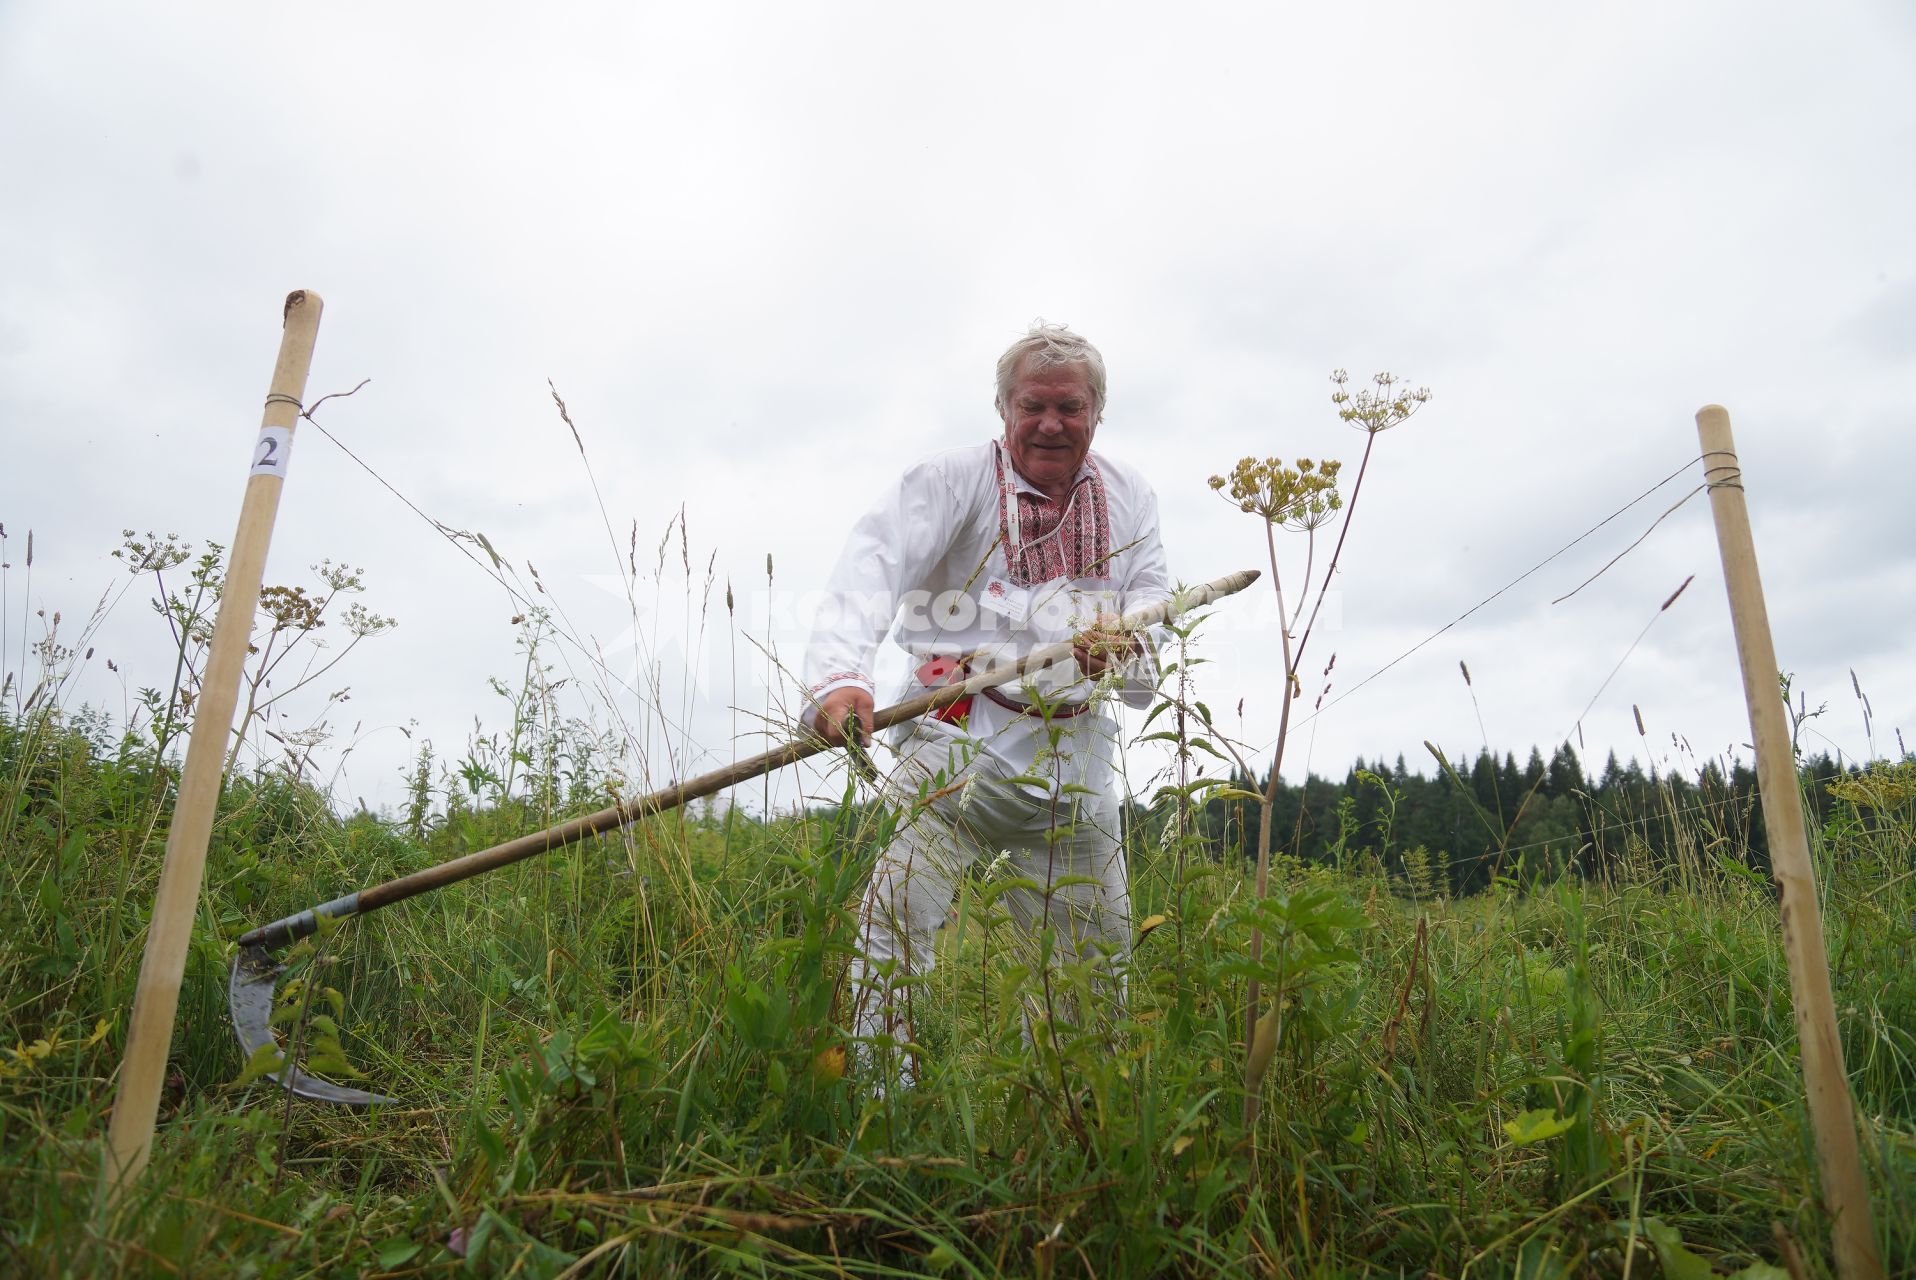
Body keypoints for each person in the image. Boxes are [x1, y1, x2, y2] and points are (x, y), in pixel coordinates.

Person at [801, 322, 1172, 1086]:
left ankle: (1084, 1121)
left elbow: (1151, 640)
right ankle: (883, 1103)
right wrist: (840, 677)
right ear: (1003, 409)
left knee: (1096, 963)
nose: (1049, 423)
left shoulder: (1131, 498)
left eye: (1069, 407)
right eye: (1032, 405)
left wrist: (1127, 650)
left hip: (1078, 765)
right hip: (958, 749)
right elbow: (872, 563)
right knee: (893, 920)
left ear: (1097, 413)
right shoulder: (950, 482)